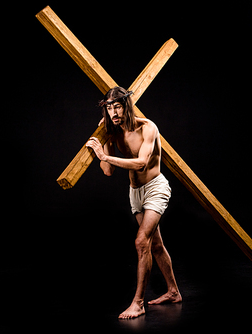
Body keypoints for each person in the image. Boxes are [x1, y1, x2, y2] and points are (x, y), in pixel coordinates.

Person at [86, 87, 182, 319]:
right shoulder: (114, 131)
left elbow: (140, 163)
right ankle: (173, 292)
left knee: (141, 242)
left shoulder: (148, 127)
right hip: (135, 192)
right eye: (109, 108)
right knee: (155, 245)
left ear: (127, 105)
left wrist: (104, 156)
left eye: (117, 106)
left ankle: (138, 303)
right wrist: (105, 141)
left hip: (156, 188)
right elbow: (108, 170)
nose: (113, 112)